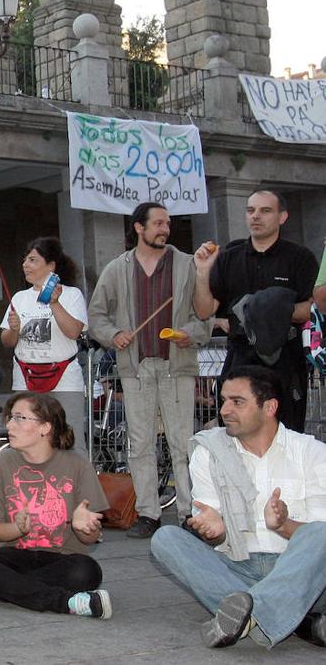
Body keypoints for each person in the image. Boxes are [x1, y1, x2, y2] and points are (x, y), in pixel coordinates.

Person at [150, 366, 326, 650]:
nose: (224, 410)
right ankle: (287, 619)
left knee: (321, 534)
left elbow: (319, 541)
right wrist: (214, 532)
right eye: (223, 401)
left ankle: (250, 617)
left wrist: (284, 526)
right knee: (165, 539)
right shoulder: (209, 452)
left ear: (269, 407)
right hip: (236, 567)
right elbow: (215, 535)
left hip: (298, 572)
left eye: (237, 402)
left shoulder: (311, 452)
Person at [89, 202, 211, 537]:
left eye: (167, 223)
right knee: (140, 443)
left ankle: (189, 513)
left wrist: (189, 334)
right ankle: (148, 513)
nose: (165, 229)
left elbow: (205, 316)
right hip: (136, 368)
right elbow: (97, 315)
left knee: (182, 443)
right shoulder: (117, 268)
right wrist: (114, 334)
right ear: (139, 228)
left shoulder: (188, 264)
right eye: (158, 223)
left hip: (176, 366)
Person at [0, 392, 112, 619]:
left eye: (19, 418)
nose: (9, 425)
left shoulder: (77, 464)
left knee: (88, 571)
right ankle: (64, 602)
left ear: (45, 427)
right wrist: (18, 528)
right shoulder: (1, 463)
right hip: (16, 557)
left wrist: (84, 527)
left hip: (63, 559)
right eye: (10, 417)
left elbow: (90, 539)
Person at [193, 189, 319, 431]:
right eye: (250, 210)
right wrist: (202, 271)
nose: (256, 216)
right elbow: (203, 311)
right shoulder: (228, 258)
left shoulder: (299, 257)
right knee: (234, 432)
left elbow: (312, 308)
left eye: (265, 210)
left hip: (285, 359)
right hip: (240, 356)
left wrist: (267, 311)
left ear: (282, 216)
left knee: (285, 435)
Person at [1, 236, 90, 435]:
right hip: (25, 377)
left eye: (32, 260)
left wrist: (54, 303)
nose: (25, 264)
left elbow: (74, 332)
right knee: (26, 438)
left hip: (65, 379)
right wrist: (13, 329)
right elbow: (7, 341)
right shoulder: (19, 297)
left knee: (69, 438)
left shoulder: (71, 294)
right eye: (25, 259)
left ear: (51, 266)